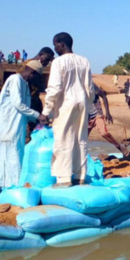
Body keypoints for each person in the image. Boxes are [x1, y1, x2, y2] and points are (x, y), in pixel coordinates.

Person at [0, 61, 44, 188]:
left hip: (17, 124)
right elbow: (18, 104)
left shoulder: (25, 84)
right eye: (37, 77)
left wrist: (35, 119)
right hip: (7, 123)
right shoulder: (15, 79)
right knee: (4, 151)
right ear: (32, 72)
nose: (36, 80)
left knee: (14, 153)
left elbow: (26, 106)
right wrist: (37, 115)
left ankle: (10, 183)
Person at [40, 32, 94, 187]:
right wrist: (88, 105)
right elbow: (90, 88)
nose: (54, 48)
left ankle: (64, 179)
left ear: (61, 44)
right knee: (80, 139)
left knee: (63, 139)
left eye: (55, 44)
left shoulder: (58, 62)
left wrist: (46, 111)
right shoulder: (84, 61)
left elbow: (55, 88)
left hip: (66, 104)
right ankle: (80, 176)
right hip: (82, 102)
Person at [88, 83, 129, 157]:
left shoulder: (91, 84)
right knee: (82, 139)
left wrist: (107, 113)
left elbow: (103, 96)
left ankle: (119, 147)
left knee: (104, 133)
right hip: (86, 117)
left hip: (97, 114)